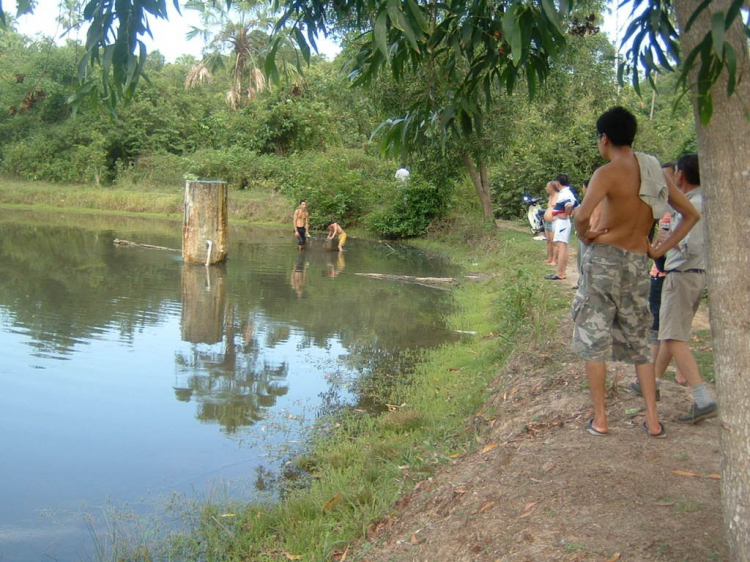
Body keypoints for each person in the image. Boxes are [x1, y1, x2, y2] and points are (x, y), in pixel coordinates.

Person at [572, 106, 699, 438]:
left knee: (592, 338)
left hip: (604, 260)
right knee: (640, 340)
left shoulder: (607, 173)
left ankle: (600, 420)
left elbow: (581, 216)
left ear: (604, 138)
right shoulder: (653, 170)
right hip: (637, 261)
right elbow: (690, 215)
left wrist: (586, 235)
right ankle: (653, 421)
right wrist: (658, 249)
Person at [652, 154, 716, 423]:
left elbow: (690, 247)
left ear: (681, 175)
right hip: (688, 276)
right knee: (670, 333)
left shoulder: (696, 205)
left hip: (683, 275)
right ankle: (650, 383)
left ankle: (703, 398)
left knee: (675, 338)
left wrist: (669, 238)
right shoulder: (694, 203)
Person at [545, 176, 576, 280]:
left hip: (562, 222)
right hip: (562, 222)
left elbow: (568, 205)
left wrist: (566, 215)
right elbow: (577, 206)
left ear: (558, 183)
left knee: (561, 246)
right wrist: (570, 214)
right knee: (562, 246)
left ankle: (560, 273)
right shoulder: (567, 192)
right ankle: (561, 272)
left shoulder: (565, 193)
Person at [543, 181, 559, 265]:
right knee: (548, 240)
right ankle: (549, 257)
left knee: (554, 241)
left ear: (552, 188)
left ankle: (554, 259)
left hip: (554, 221)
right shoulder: (550, 197)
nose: (546, 188)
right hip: (547, 221)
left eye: (547, 187)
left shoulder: (558, 196)